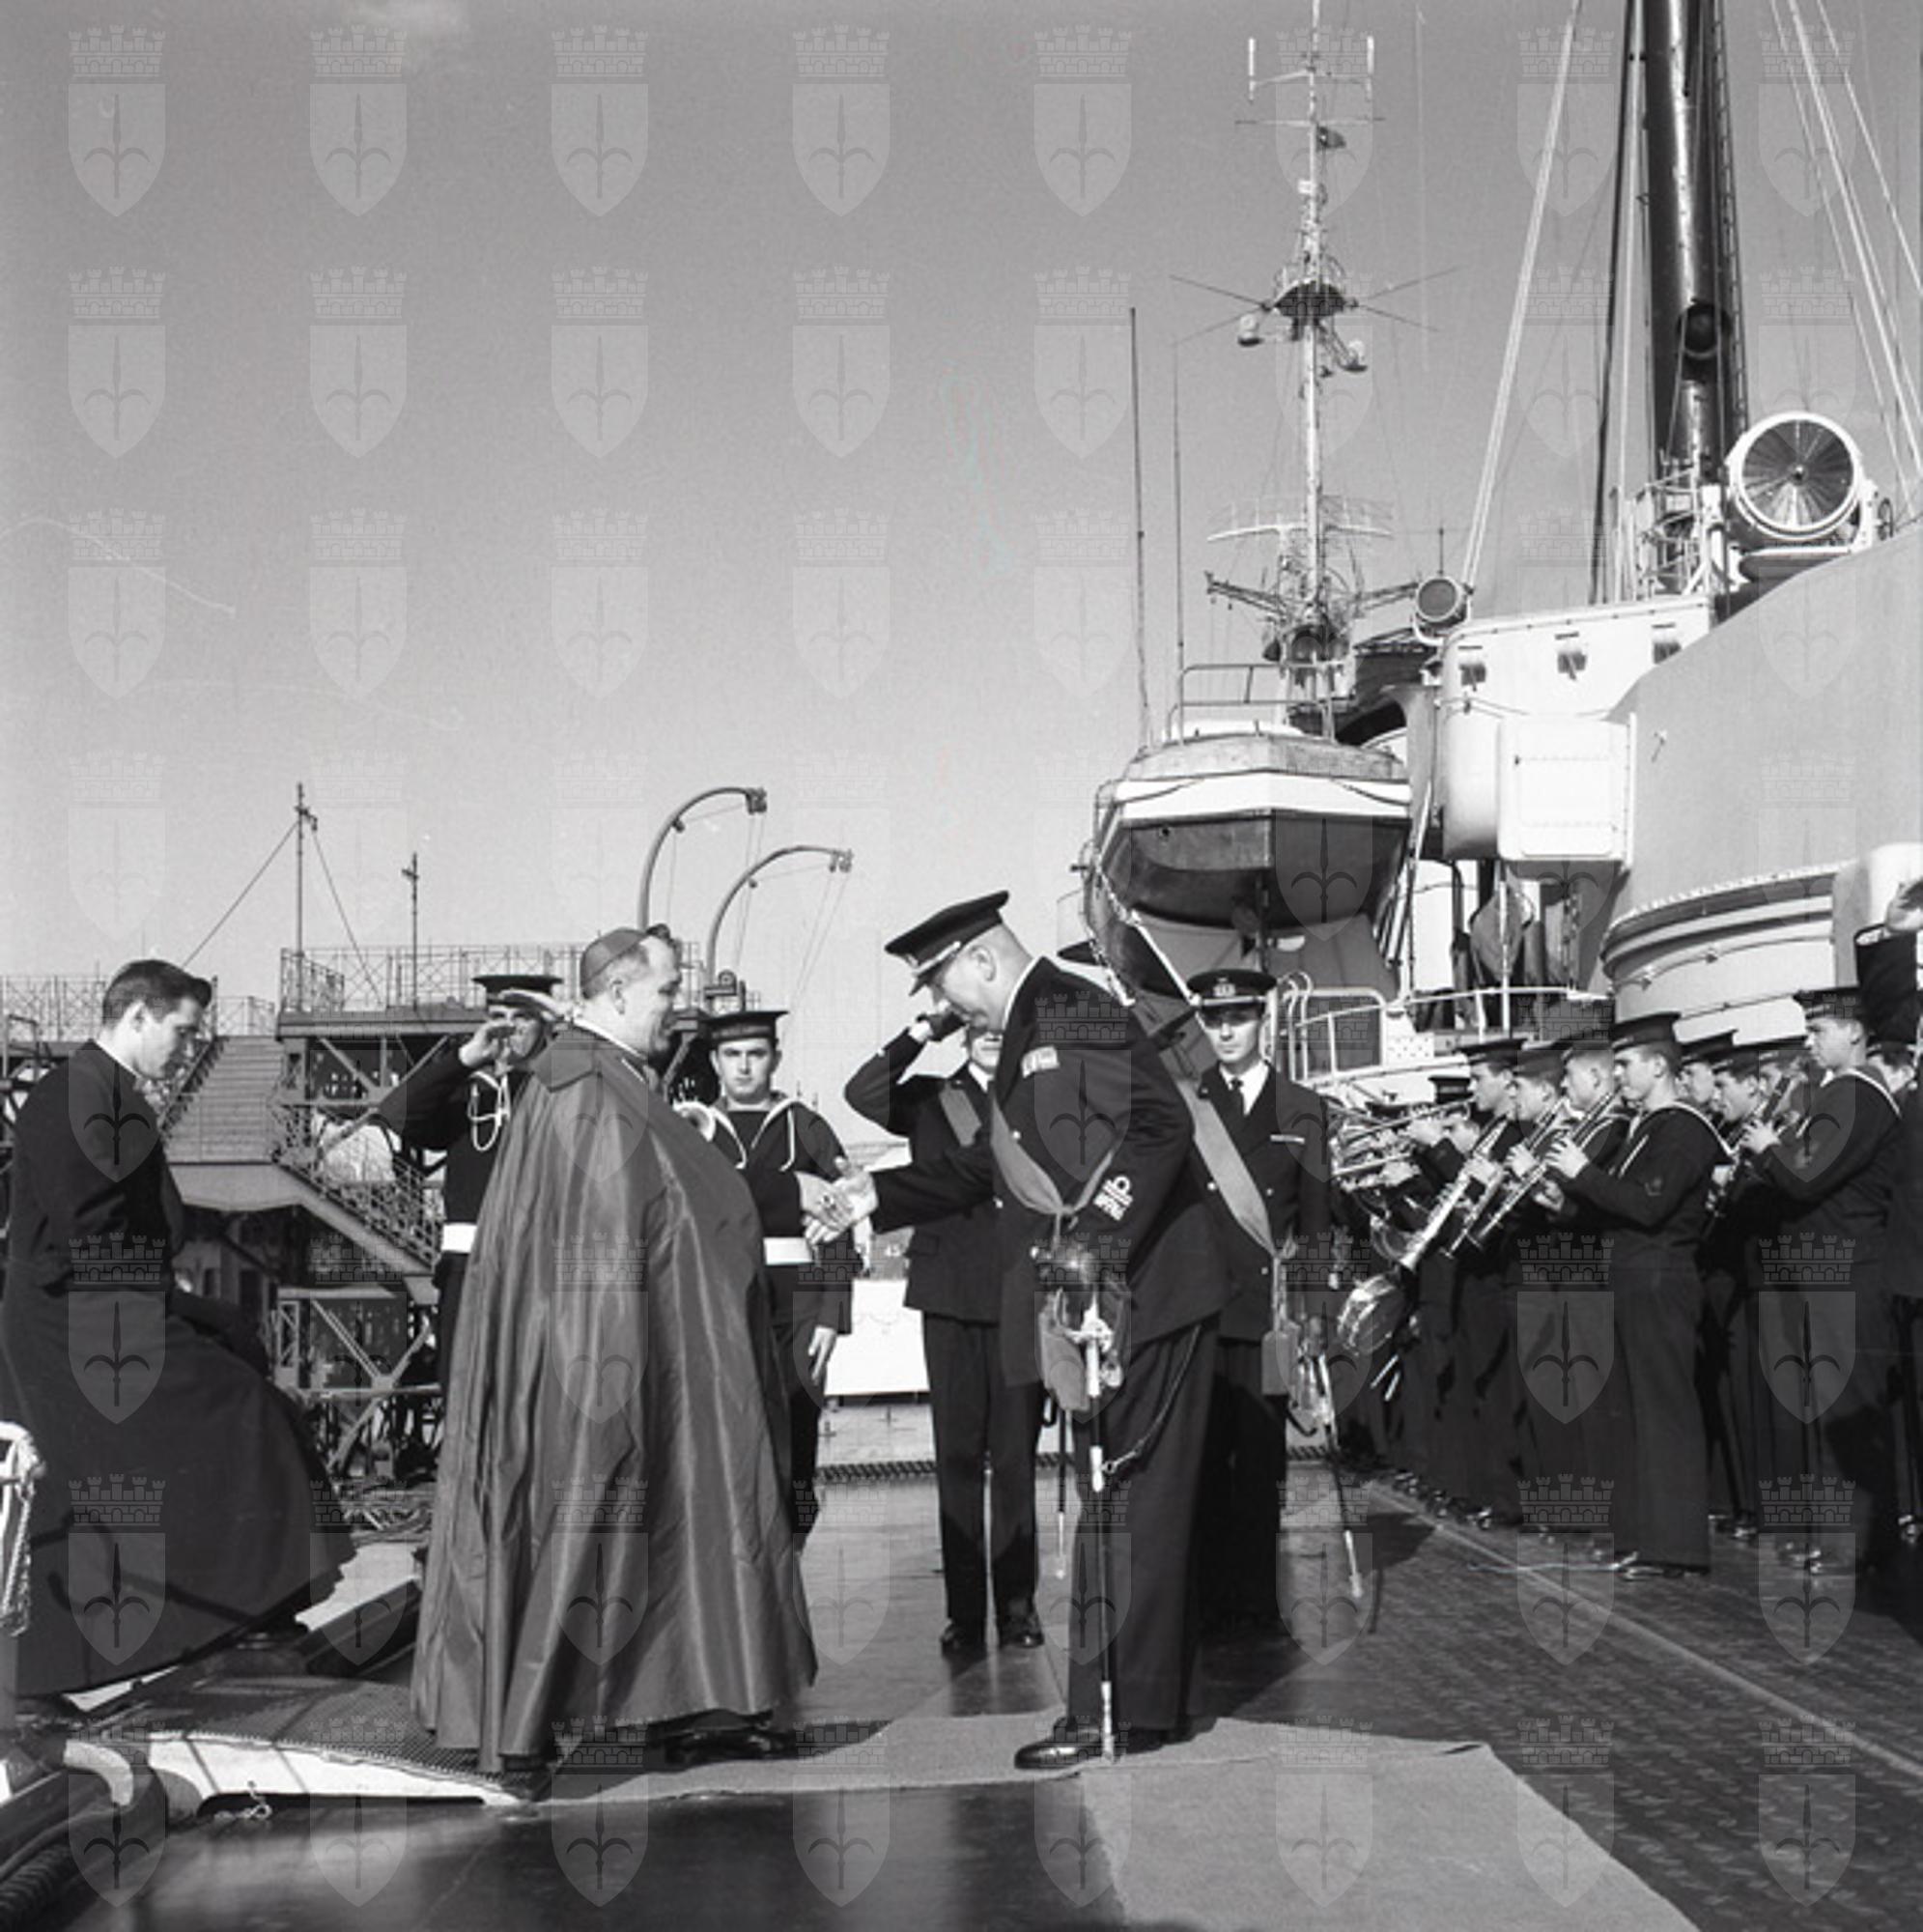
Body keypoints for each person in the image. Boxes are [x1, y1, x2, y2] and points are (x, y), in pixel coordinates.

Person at [820, 893, 1226, 1768]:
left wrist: (1097, 1238)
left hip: (1146, 1294)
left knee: (1130, 1500)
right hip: (1105, 1302)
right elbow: (996, 1167)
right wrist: (877, 1193)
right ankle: (1141, 1700)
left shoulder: (1070, 1007)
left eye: (941, 984)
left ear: (981, 959)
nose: (944, 1005)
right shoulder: (1035, 1022)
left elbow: (1159, 1123)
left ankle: (1116, 1712)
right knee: (1121, 1501)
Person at [411, 926, 814, 1772]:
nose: (677, 1009)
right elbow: (609, 1240)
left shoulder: (596, 1081)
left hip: (631, 1341)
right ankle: (538, 1722)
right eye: (666, 992)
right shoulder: (588, 1091)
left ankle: (684, 1699)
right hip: (608, 1350)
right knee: (598, 1514)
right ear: (622, 992)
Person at [0, 961, 352, 1699]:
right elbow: (88, 1235)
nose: (189, 1050)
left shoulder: (108, 1092)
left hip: (106, 1310)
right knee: (245, 1412)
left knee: (238, 1394)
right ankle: (248, 1613)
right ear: (136, 1017)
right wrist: (185, 1308)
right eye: (182, 1032)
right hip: (76, 1324)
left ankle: (248, 1610)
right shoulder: (77, 1096)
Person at [844, 1014, 1044, 1653]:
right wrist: (923, 1028)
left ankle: (1017, 1608)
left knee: (1014, 1461)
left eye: (999, 1022)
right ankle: (964, 1613)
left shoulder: (1036, 1099)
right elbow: (863, 1092)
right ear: (961, 1029)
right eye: (975, 1022)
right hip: (951, 1294)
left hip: (1018, 1293)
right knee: (956, 1458)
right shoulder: (932, 1099)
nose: (989, 1032)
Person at [1546, 1012, 1726, 1580]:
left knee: (1664, 1411)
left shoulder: (1684, 1129)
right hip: (1630, 1276)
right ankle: (1641, 1536)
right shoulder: (1645, 1126)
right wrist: (1567, 1205)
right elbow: (1620, 1204)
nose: (1618, 1074)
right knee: (1630, 1411)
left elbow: (1649, 1205)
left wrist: (1581, 1174)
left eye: (1625, 1064)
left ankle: (1676, 1546)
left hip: (1659, 1279)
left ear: (1658, 1066)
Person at [1182, 967, 1332, 1631]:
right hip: (1200, 1309)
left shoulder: (1302, 1106)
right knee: (1204, 1456)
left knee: (1262, 1457)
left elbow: (1318, 1220)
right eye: (1214, 1021)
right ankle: (1207, 1597)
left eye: (1237, 1018)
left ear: (1260, 1020)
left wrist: (1316, 1311)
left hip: (1270, 1315)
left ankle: (1256, 1597)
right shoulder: (1187, 1103)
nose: (1225, 1032)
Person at [1739, 984, 1903, 1574]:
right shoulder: (1836, 1094)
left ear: (1854, 1032)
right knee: (1830, 1406)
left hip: (1849, 1268)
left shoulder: (1855, 1095)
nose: (1810, 1043)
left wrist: (1768, 1148)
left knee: (1847, 1409)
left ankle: (1854, 1544)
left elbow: (1807, 1176)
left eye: (1820, 1030)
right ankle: (1839, 1537)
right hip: (1830, 1269)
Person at [695, 1007, 856, 1542]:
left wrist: (832, 1314)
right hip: (719, 1296)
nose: (744, 1067)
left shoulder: (805, 1125)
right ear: (715, 1062)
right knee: (731, 1428)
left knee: (797, 1430)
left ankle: (793, 1547)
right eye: (732, 1055)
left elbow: (841, 1220)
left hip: (798, 1297)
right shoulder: (695, 1127)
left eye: (756, 1054)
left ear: (775, 1059)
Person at [377, 972, 560, 1394]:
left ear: (544, 1024)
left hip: (537, 1265)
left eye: (522, 1017)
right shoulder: (466, 1093)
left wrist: (563, 1041)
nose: (509, 1027)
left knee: (535, 1392)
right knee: (462, 1389)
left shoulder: (559, 1091)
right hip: (467, 1267)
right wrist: (465, 1058)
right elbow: (396, 1113)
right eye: (497, 1016)